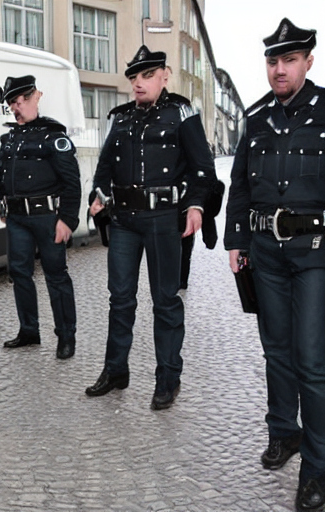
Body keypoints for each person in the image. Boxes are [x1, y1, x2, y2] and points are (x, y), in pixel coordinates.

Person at [225, 18, 325, 512]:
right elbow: (241, 183)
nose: (279, 69)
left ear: (309, 60)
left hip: (314, 254)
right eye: (273, 61)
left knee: (311, 359)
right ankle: (284, 432)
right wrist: (236, 240)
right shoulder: (257, 116)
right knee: (276, 351)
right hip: (265, 254)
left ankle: (317, 468)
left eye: (289, 60)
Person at [85, 46, 217, 410]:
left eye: (146, 76)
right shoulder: (121, 118)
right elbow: (104, 166)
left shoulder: (182, 114)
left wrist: (194, 204)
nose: (138, 84)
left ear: (164, 75)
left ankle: (168, 378)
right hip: (125, 221)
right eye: (133, 78)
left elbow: (203, 169)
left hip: (162, 220)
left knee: (166, 301)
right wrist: (98, 195)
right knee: (121, 298)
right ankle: (116, 371)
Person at [0, 75, 81, 360]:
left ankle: (66, 336)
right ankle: (29, 330)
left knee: (56, 276)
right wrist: (0, 205)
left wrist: (67, 219)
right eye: (12, 103)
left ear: (35, 97)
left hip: (47, 217)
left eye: (20, 101)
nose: (16, 108)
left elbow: (72, 181)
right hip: (17, 219)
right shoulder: (10, 138)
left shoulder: (53, 136)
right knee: (19, 274)